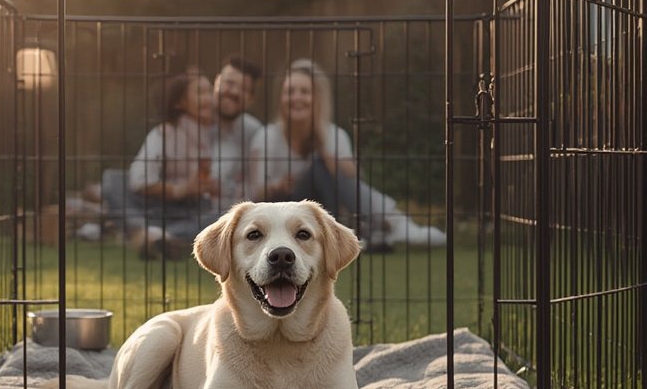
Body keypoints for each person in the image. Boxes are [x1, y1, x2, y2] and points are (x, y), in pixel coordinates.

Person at [248, 58, 446, 249]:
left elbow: (351, 179)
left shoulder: (334, 134)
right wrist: (277, 186)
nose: (296, 97)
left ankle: (387, 225)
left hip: (326, 208)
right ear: (281, 98)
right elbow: (255, 195)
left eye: (305, 92)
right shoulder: (266, 136)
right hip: (281, 212)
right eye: (290, 91)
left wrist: (322, 147)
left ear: (318, 99)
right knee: (318, 169)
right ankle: (378, 229)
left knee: (321, 167)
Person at [127, 73, 220, 248]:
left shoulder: (217, 134)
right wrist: (182, 189)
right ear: (179, 103)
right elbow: (138, 180)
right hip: (159, 208)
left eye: (210, 92)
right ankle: (157, 234)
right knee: (113, 180)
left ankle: (159, 237)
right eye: (200, 92)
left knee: (220, 217)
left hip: (197, 209)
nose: (208, 99)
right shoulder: (164, 133)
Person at [209, 55, 263, 212]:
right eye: (229, 83)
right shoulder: (192, 124)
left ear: (250, 99)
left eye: (243, 88)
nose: (233, 92)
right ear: (216, 82)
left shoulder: (254, 132)